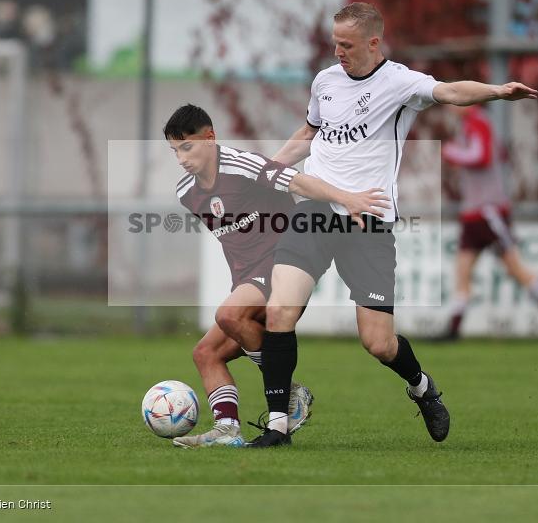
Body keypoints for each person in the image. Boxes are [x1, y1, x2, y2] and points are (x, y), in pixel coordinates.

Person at [247, 2, 538, 448]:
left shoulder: (400, 82)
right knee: (279, 311)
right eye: (335, 44)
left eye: (346, 45)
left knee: (379, 343)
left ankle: (422, 387)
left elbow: (450, 92)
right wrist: (267, 169)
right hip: (314, 210)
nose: (338, 52)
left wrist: (497, 92)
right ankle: (277, 427)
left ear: (373, 42)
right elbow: (308, 135)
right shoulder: (325, 82)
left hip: (369, 220)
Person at [164, 104, 389, 448]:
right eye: (175, 150)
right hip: (247, 282)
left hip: (283, 269)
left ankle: (287, 393)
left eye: (187, 147)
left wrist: (347, 198)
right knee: (206, 353)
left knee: (228, 314)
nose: (181, 158)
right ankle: (227, 430)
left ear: (210, 138)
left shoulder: (242, 165)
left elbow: (300, 182)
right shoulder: (186, 192)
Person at [438, 105, 538, 342]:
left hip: (489, 211)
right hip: (472, 213)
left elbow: (481, 156)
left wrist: (451, 152)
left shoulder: (478, 122)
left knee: (513, 267)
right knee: (462, 271)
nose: (449, 104)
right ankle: (453, 329)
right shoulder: (468, 125)